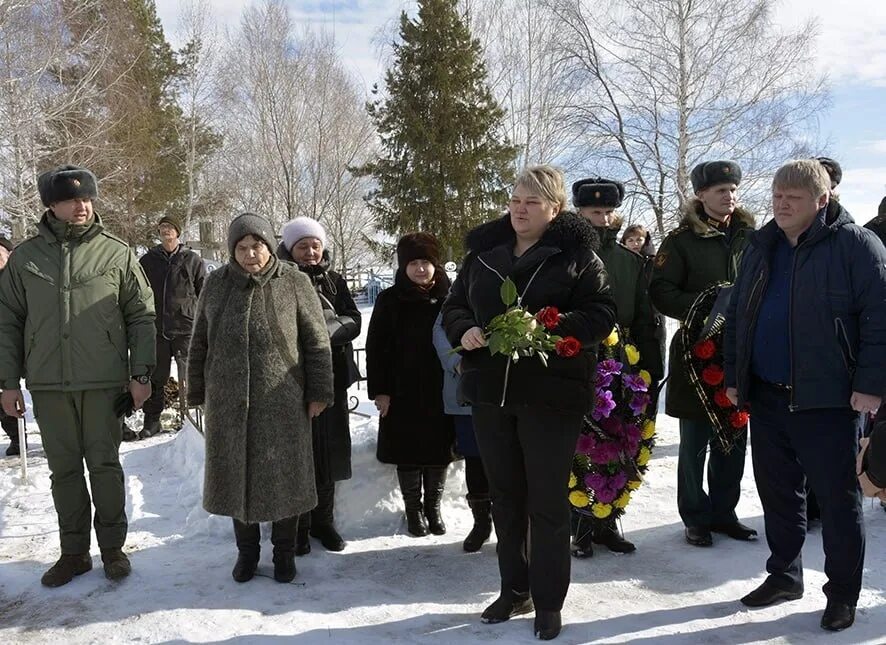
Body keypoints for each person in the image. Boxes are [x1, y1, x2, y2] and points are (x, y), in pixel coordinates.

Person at [442, 165, 616, 640]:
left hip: (549, 396)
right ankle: (513, 589)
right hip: (490, 394)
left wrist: (550, 326)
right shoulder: (483, 254)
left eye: (532, 203)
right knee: (506, 498)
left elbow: (602, 314)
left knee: (546, 501)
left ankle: (548, 599)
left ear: (554, 210)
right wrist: (465, 330)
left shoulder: (578, 256)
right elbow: (453, 305)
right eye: (516, 200)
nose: (520, 209)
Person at [724, 159, 886, 631]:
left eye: (792, 197)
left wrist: (871, 384)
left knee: (837, 502)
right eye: (776, 194)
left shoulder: (857, 247)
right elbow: (739, 315)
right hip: (768, 396)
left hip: (830, 400)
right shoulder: (762, 246)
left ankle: (842, 594)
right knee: (778, 495)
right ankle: (784, 575)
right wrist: (737, 376)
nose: (781, 203)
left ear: (822, 200)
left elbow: (879, 318)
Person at [0, 165, 155, 586]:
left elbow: (141, 315)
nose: (82, 205)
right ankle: (74, 553)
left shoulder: (116, 252)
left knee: (104, 467)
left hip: (103, 380)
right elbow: (8, 322)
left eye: (87, 198)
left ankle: (112, 550)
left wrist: (141, 373)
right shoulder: (26, 258)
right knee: (64, 472)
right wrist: (8, 382)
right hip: (48, 384)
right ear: (52, 205)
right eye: (72, 199)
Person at [187, 212, 333, 584]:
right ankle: (247, 553)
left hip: (282, 399)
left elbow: (317, 342)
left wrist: (318, 391)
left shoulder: (295, 282)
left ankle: (284, 553)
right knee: (236, 476)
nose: (251, 254)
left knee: (288, 478)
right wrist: (198, 391)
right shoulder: (216, 284)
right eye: (242, 247)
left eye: (257, 246)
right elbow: (199, 341)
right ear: (232, 250)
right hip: (228, 400)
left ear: (269, 246)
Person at [649, 159, 757, 548]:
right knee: (695, 439)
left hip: (742, 350)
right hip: (698, 350)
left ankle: (725, 512)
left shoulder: (752, 237)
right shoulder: (680, 242)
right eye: (719, 191)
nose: (728, 196)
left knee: (734, 433)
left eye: (731, 190)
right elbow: (660, 291)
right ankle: (695, 515)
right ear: (700, 195)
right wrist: (709, 303)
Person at [570, 177, 664, 555]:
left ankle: (608, 523)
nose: (604, 219)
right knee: (581, 443)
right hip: (580, 355)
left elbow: (645, 315)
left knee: (618, 441)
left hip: (625, 360)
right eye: (595, 212)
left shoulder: (632, 262)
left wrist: (650, 367)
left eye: (609, 212)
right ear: (579, 212)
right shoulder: (566, 255)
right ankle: (580, 526)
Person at [277, 216, 361, 555]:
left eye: (315, 245)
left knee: (329, 452)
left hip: (334, 377)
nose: (310, 252)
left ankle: (324, 522)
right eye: (302, 246)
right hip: (293, 380)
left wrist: (325, 333)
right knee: (300, 453)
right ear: (290, 249)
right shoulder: (280, 280)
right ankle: (298, 525)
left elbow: (354, 318)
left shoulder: (335, 281)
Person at [366, 232, 454, 538]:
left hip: (440, 387)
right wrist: (380, 391)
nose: (420, 269)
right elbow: (376, 346)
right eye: (413, 263)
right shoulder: (390, 300)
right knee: (407, 450)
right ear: (404, 266)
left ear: (435, 265)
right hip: (401, 388)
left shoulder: (449, 297)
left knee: (438, 450)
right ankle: (413, 510)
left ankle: (433, 507)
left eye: (426, 262)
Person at [137, 215, 205, 440]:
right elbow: (138, 290)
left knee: (190, 374)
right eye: (162, 228)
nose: (166, 231)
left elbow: (203, 291)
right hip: (157, 326)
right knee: (156, 375)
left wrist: (201, 318)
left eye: (170, 228)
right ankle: (152, 420)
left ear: (178, 232)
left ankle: (191, 420)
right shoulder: (148, 260)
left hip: (186, 326)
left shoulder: (191, 260)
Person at [432, 312, 493, 552]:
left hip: (505, 390)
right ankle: (481, 523)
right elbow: (440, 331)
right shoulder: (460, 290)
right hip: (465, 387)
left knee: (505, 460)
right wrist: (457, 362)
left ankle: (508, 524)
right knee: (475, 458)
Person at [0, 235, 22, 457]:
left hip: (30, 343)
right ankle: (16, 437)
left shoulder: (20, 278)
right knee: (4, 392)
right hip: (3, 347)